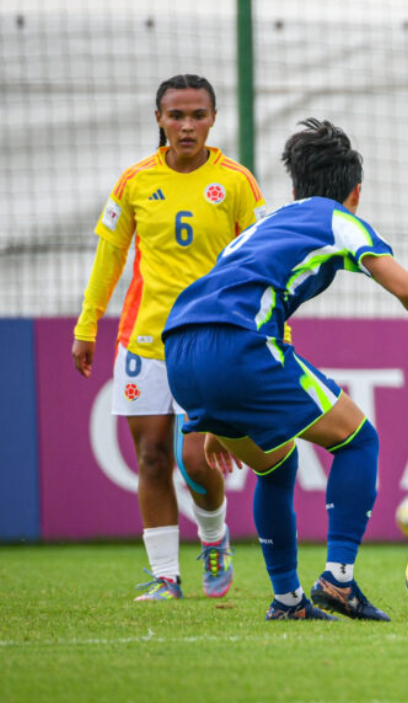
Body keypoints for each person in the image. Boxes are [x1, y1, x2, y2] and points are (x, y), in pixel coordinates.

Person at [163, 118, 408, 621]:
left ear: (294, 185)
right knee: (359, 439)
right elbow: (407, 288)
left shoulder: (262, 227)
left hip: (181, 349)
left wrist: (220, 418)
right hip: (239, 346)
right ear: (356, 192)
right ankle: (339, 579)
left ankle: (288, 601)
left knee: (277, 464)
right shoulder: (337, 219)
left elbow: (232, 290)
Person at [72, 74, 265, 601]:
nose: (186, 126)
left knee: (198, 458)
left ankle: (213, 538)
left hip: (209, 344)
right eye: (176, 115)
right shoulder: (134, 181)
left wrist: (271, 331)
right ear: (159, 119)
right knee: (153, 456)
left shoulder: (237, 184)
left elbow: (261, 264)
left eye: (197, 115)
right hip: (144, 341)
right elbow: (110, 257)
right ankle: (165, 577)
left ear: (213, 119)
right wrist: (87, 326)